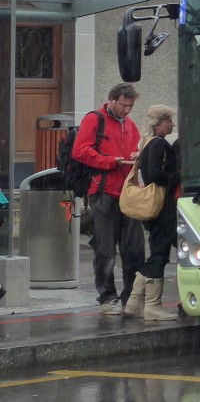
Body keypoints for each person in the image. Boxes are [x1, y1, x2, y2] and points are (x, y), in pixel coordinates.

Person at [72, 83, 145, 315]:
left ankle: (131, 298)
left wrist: (137, 156)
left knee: (133, 249)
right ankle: (107, 297)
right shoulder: (94, 119)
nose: (127, 110)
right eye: (124, 105)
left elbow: (135, 153)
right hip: (103, 192)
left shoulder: (131, 126)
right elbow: (80, 151)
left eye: (131, 106)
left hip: (127, 193)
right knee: (105, 249)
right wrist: (111, 161)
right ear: (112, 100)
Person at [126, 105, 181, 321]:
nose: (173, 125)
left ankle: (134, 301)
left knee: (158, 252)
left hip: (158, 208)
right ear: (158, 124)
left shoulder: (148, 143)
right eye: (169, 121)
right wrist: (178, 175)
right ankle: (152, 305)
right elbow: (155, 174)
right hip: (162, 208)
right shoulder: (158, 144)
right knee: (159, 254)